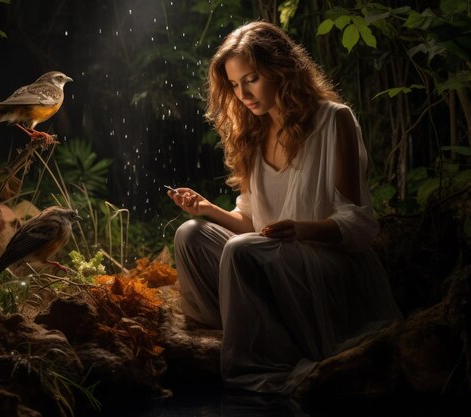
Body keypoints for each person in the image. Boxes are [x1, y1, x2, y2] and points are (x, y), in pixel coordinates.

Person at [167, 20, 401, 394]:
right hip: (269, 257)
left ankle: (261, 359)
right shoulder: (252, 133)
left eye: (252, 78)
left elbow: (358, 224)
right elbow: (253, 224)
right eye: (233, 84)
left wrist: (302, 229)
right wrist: (209, 210)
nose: (242, 93)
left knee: (242, 250)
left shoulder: (333, 120)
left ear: (282, 69)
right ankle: (235, 330)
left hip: (325, 261)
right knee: (191, 234)